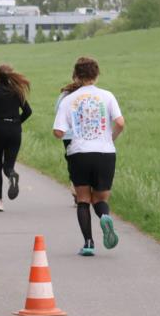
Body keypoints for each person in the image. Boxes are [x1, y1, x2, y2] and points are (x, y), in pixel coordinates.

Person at [52, 56, 125, 256]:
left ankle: (88, 244)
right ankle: (104, 217)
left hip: (79, 153)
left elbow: (58, 132)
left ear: (76, 75)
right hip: (105, 152)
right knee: (100, 199)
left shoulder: (68, 99)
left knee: (83, 199)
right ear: (97, 75)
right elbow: (120, 122)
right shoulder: (107, 96)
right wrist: (110, 138)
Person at [0, 64, 32, 212]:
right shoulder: (17, 91)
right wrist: (17, 122)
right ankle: (12, 175)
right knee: (8, 166)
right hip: (14, 130)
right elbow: (28, 111)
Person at [56, 76, 81, 204]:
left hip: (68, 134)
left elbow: (57, 110)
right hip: (84, 133)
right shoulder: (88, 93)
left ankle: (75, 186)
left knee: (72, 160)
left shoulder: (64, 95)